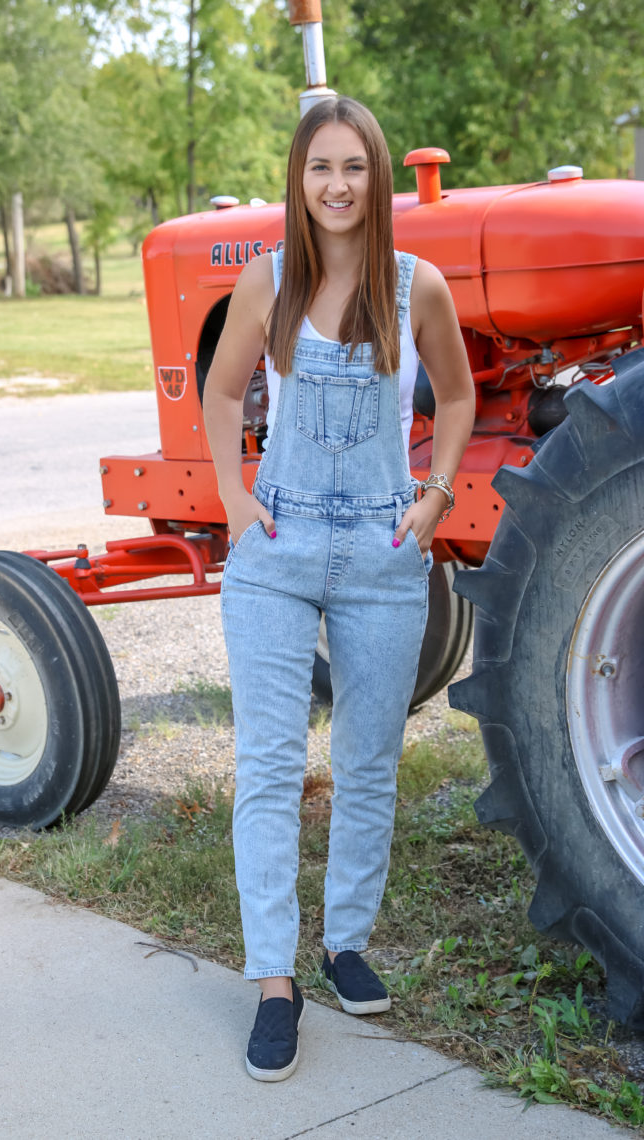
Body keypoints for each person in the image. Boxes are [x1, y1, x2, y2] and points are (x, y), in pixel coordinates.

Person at [202, 95, 475, 1082]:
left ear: (378, 179)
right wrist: (235, 501)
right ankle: (275, 981)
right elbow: (224, 390)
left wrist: (433, 497)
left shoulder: (419, 288)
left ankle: (345, 938)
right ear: (298, 178)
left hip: (380, 556)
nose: (336, 186)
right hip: (274, 556)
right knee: (270, 765)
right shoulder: (268, 283)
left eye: (353, 167)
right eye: (320, 167)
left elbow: (458, 394)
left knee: (366, 760)